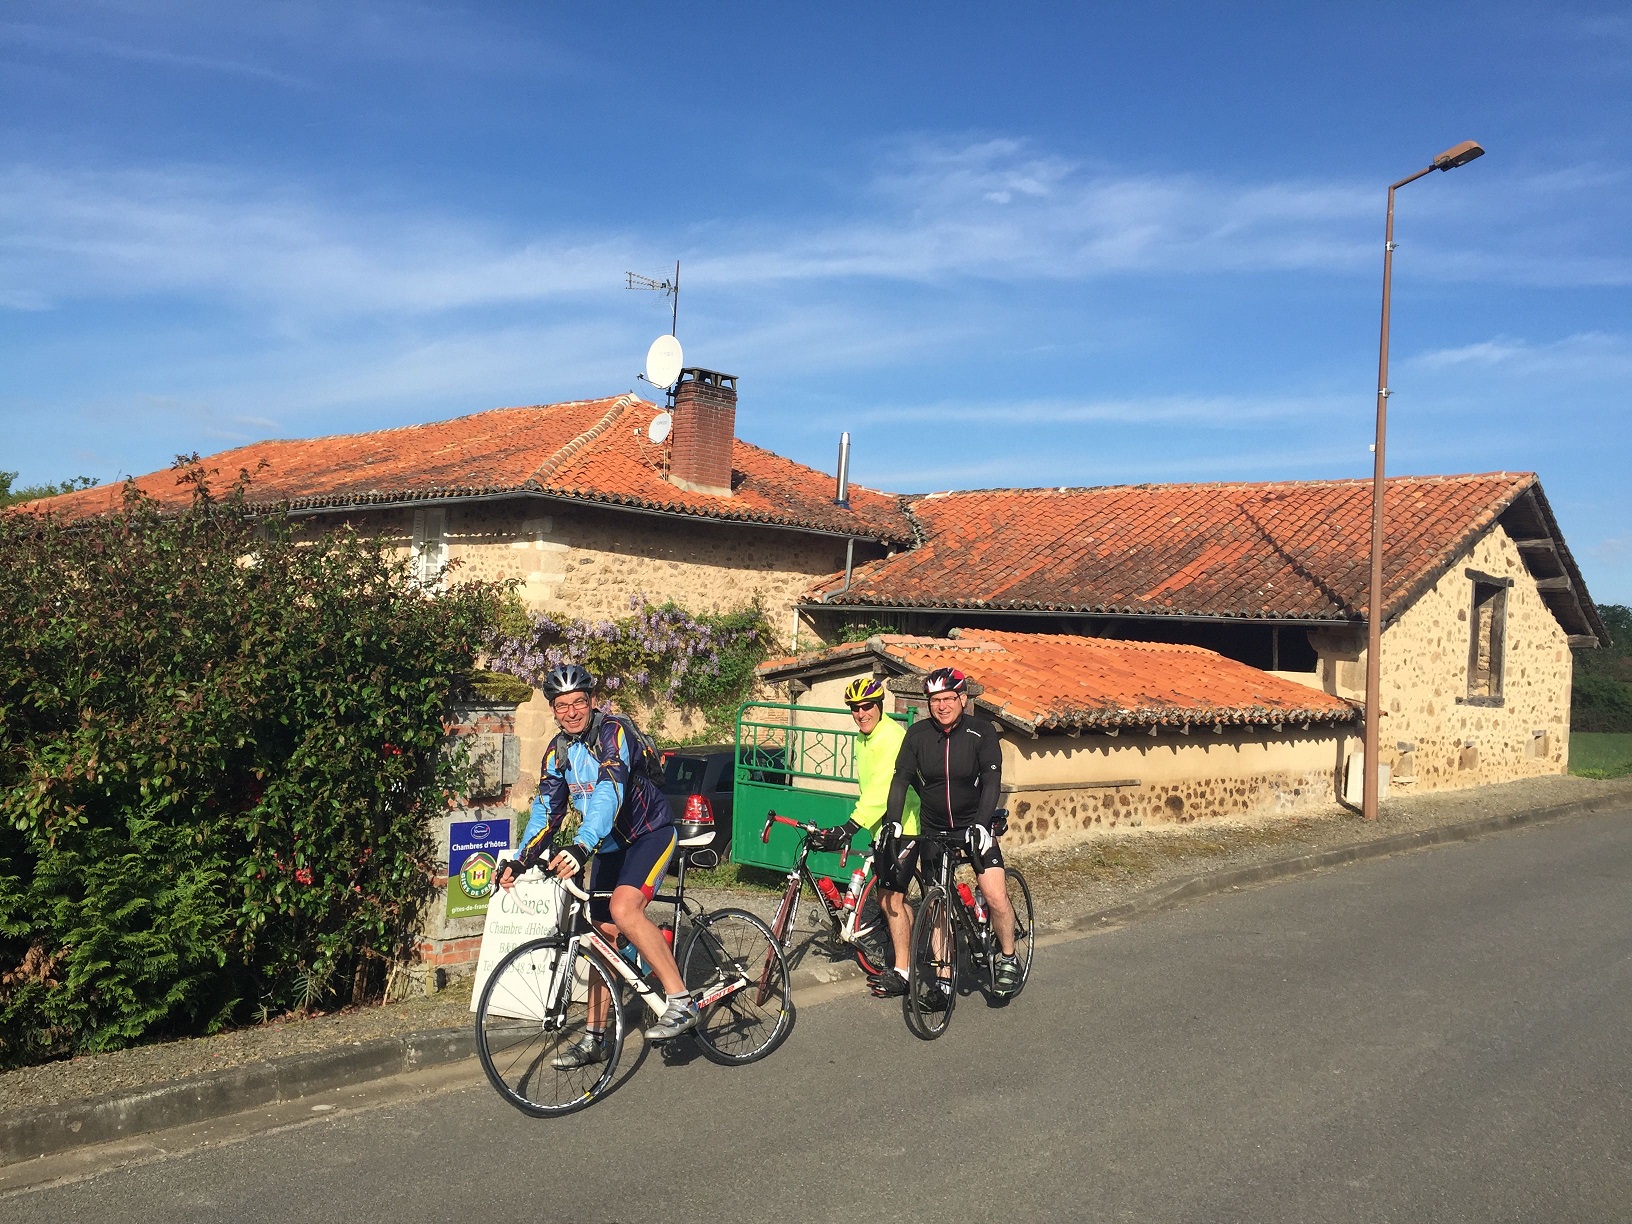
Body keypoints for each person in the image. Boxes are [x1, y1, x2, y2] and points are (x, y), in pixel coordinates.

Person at [494, 663, 698, 1064]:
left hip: (649, 833)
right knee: (601, 939)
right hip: (608, 846)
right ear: (553, 709)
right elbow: (547, 812)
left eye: (578, 703)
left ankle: (681, 1000)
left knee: (624, 909)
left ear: (591, 702)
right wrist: (521, 860)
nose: (571, 712)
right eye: (561, 705)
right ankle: (595, 1038)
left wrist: (582, 844)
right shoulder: (558, 751)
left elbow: (609, 793)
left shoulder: (613, 732)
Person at [881, 666, 1021, 999]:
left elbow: (991, 781)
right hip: (934, 828)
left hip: (975, 823)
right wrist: (894, 820)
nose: (941, 706)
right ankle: (944, 979)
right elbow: (900, 779)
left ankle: (1007, 956)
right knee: (937, 905)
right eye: (934, 700)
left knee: (995, 895)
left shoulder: (982, 732)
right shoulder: (917, 735)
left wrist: (982, 824)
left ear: (962, 698)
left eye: (948, 698)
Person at [806, 677, 921, 996]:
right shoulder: (863, 738)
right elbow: (869, 790)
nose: (860, 713)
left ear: (880, 706)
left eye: (867, 706)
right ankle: (910, 954)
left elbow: (883, 789)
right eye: (855, 709)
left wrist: (850, 826)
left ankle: (903, 973)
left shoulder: (891, 737)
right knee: (887, 898)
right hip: (881, 826)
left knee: (893, 899)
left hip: (904, 823)